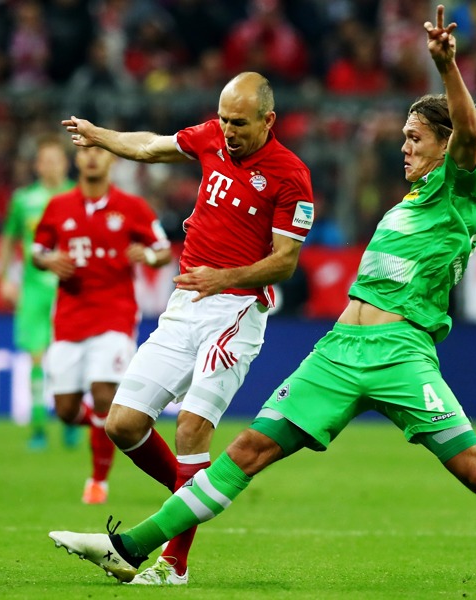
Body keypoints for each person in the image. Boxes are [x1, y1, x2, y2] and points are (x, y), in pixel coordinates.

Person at [48, 7, 476, 593]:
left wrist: (447, 65)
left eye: (414, 138)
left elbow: (469, 145)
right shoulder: (430, 204)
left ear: (446, 143)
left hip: (401, 353)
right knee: (246, 451)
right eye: (403, 136)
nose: (403, 146)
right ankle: (130, 549)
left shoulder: (457, 179)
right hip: (340, 350)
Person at [58, 70, 314, 584]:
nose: (228, 131)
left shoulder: (291, 175)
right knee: (122, 424)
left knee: (191, 428)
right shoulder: (211, 139)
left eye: (239, 122)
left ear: (268, 120)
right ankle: (189, 495)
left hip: (236, 309)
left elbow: (286, 262)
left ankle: (173, 563)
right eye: (223, 119)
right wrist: (99, 134)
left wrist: (226, 277)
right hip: (186, 303)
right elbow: (152, 147)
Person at [32, 145, 172, 504]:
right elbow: (37, 250)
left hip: (115, 314)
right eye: (85, 152)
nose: (92, 157)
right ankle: (107, 427)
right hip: (69, 317)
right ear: (76, 160)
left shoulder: (132, 207)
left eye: (99, 151)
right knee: (65, 410)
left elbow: (163, 250)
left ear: (112, 159)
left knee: (104, 394)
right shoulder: (58, 206)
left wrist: (148, 255)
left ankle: (98, 482)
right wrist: (49, 262)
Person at [0, 135, 80, 451]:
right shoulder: (23, 200)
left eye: (55, 160)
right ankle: (37, 427)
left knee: (70, 360)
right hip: (33, 291)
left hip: (70, 289)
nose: (49, 165)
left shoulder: (77, 195)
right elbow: (7, 239)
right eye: (44, 160)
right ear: (36, 165)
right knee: (36, 357)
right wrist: (5, 278)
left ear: (65, 163)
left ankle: (71, 421)